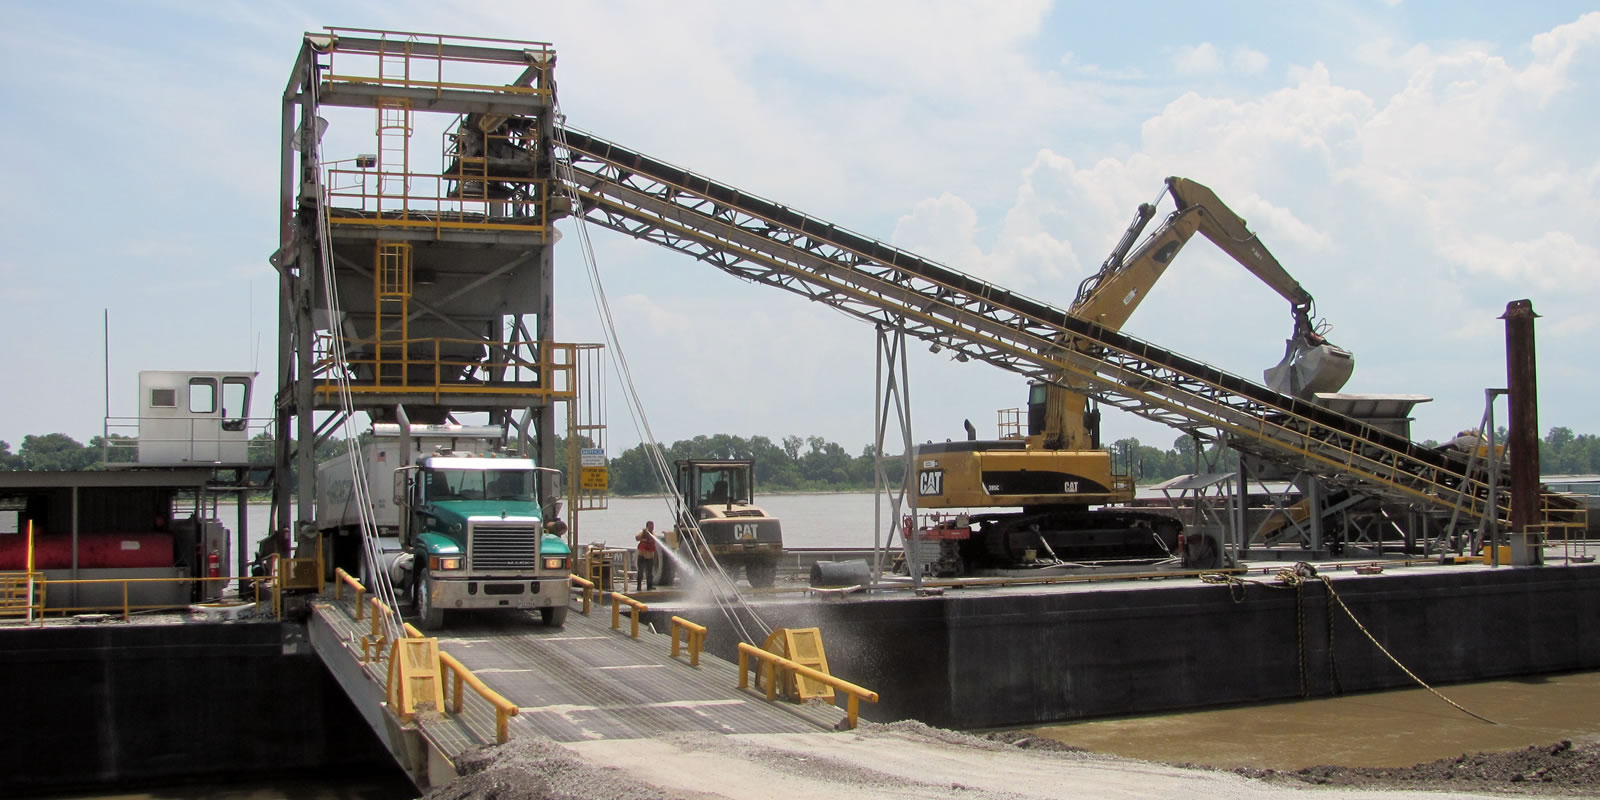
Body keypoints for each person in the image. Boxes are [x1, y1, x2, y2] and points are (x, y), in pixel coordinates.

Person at [635, 521, 658, 591]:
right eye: (650, 526)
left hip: (649, 557)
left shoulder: (654, 534)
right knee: (640, 572)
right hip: (641, 556)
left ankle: (649, 586)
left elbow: (655, 540)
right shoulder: (642, 533)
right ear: (647, 526)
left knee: (649, 573)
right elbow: (637, 538)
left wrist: (649, 535)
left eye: (652, 526)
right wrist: (643, 534)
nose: (652, 527)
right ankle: (639, 586)